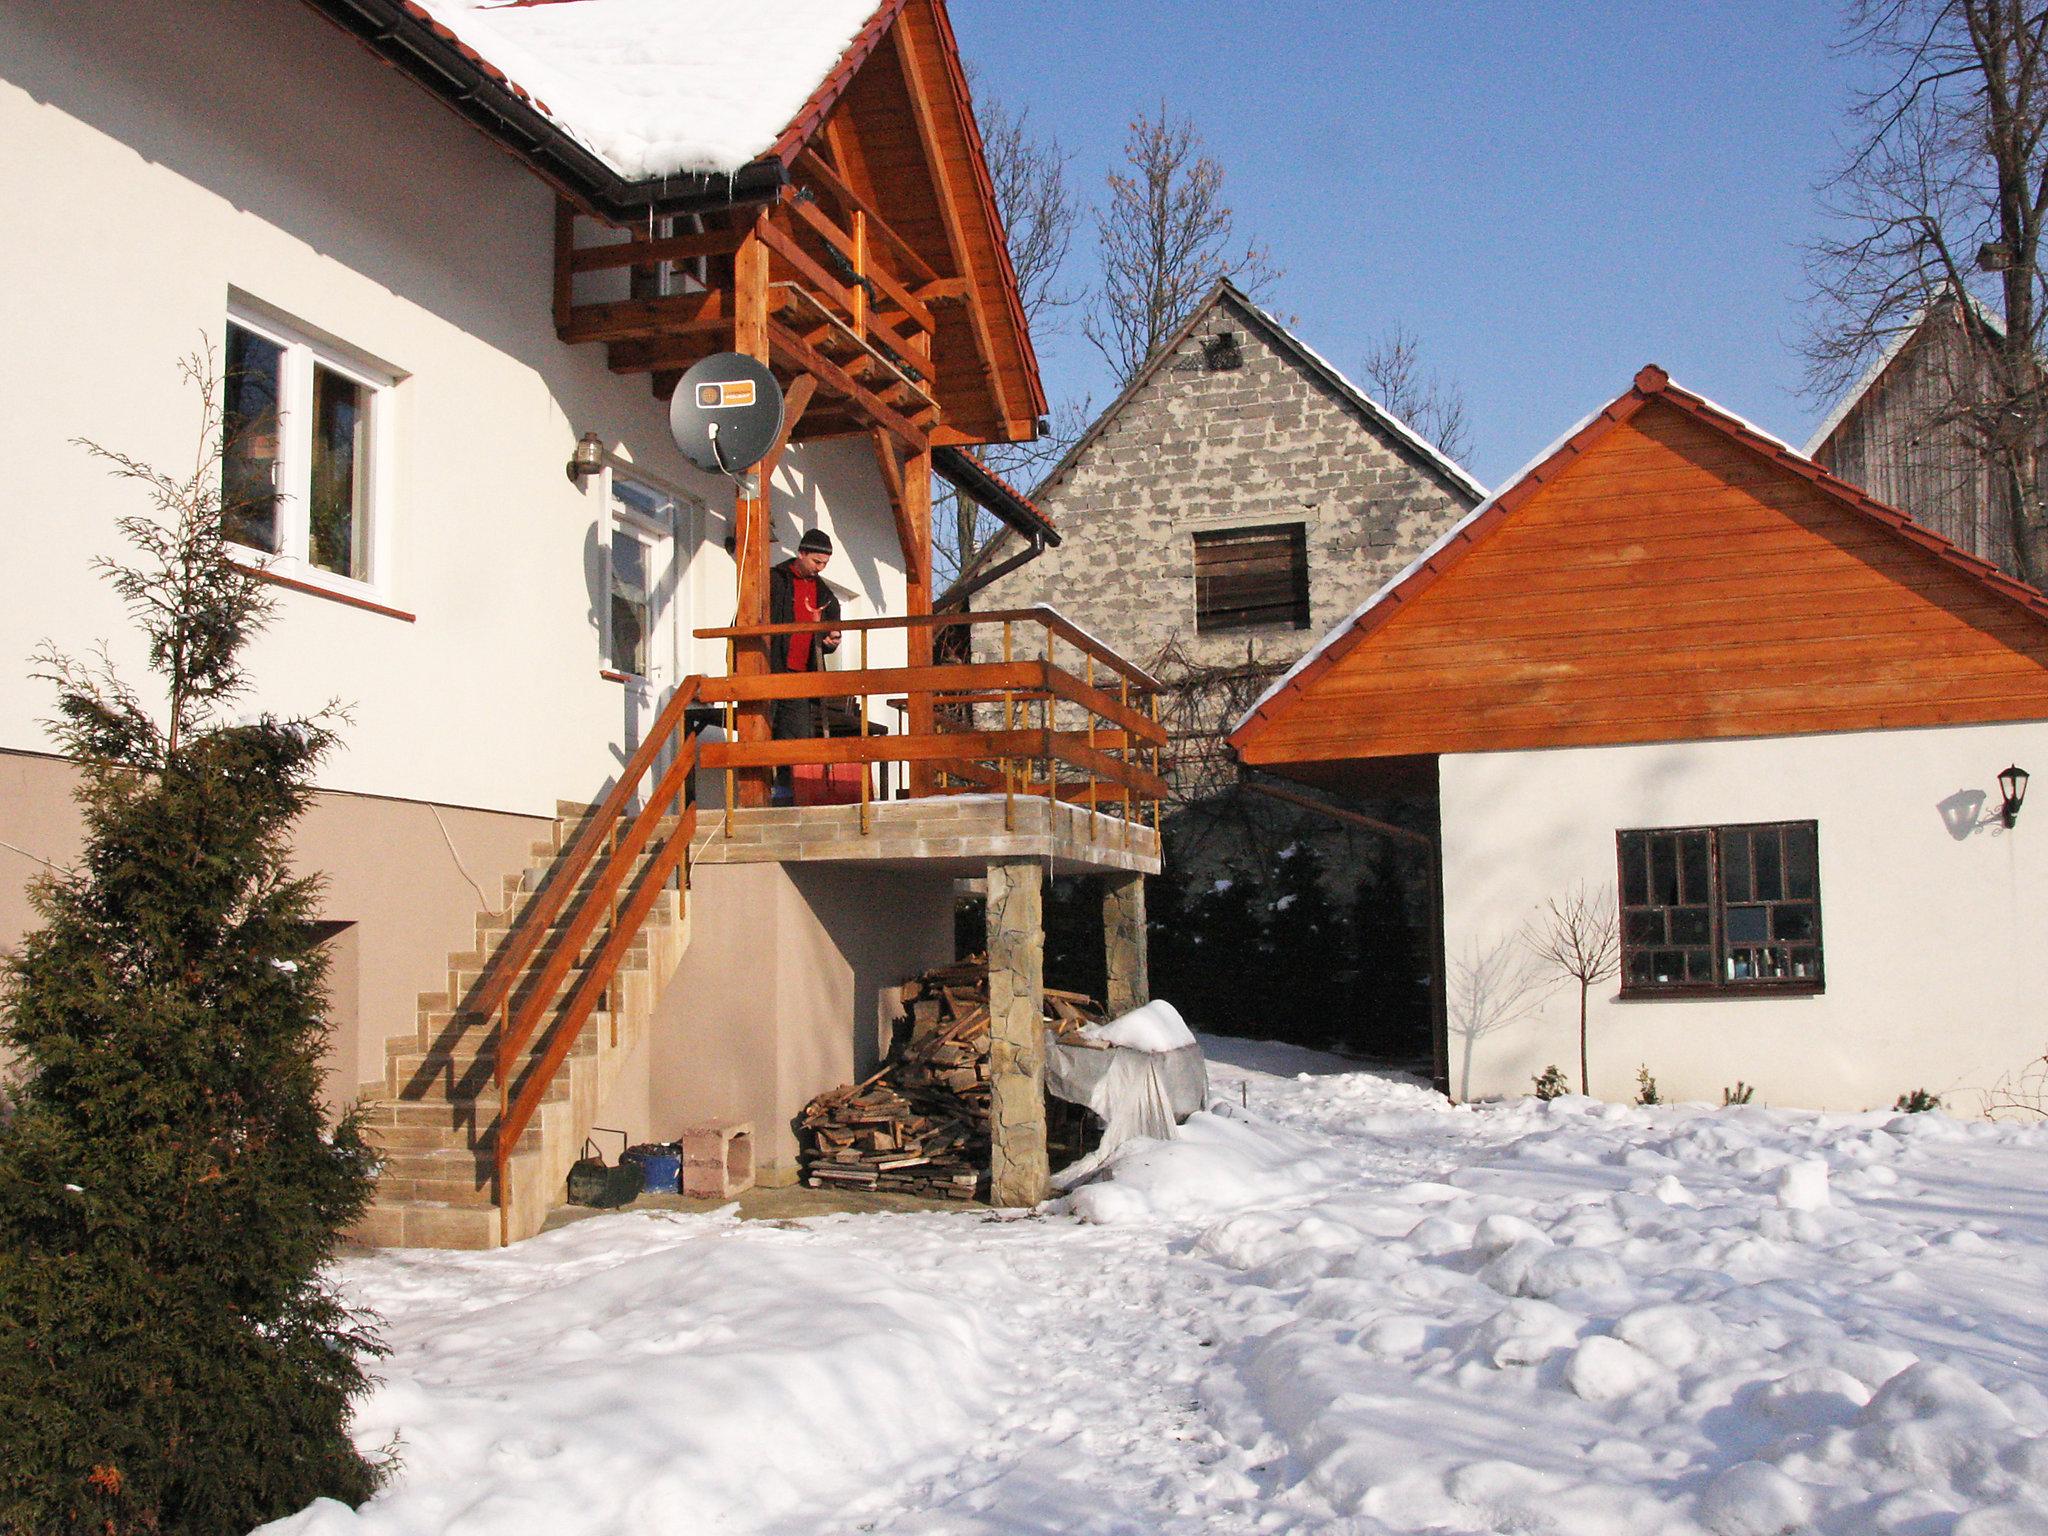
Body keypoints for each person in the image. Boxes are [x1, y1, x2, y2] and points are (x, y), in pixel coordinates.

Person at [767, 528, 842, 801]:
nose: (819, 568)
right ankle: (761, 797)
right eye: (816, 562)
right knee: (761, 736)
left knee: (796, 741)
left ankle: (787, 799)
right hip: (770, 671)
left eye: (824, 564)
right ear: (801, 554)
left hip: (801, 676)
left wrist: (832, 639)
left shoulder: (823, 592)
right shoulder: (775, 580)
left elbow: (832, 624)